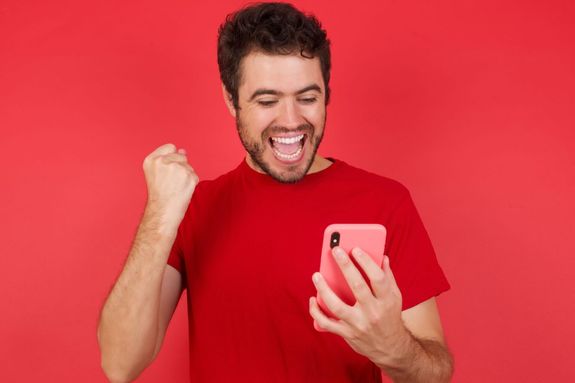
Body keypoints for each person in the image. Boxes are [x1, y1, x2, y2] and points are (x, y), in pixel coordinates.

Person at [97, 2, 454, 382]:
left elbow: (436, 373)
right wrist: (159, 217)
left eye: (307, 97)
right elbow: (120, 365)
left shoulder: (385, 203)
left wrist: (394, 347)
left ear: (326, 94)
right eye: (267, 100)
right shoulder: (196, 208)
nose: (290, 120)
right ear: (231, 100)